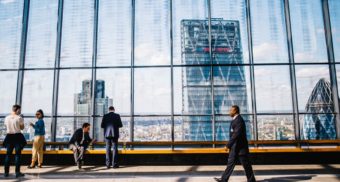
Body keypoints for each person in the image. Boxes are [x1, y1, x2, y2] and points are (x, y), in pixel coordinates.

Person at [214, 105, 256, 182]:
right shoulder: (235, 120)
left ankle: (251, 180)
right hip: (235, 148)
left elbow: (236, 134)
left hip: (240, 148)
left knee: (246, 165)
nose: (229, 112)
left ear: (235, 111)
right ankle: (224, 179)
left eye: (231, 110)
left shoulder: (239, 120)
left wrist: (228, 145)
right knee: (230, 164)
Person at [3, 105, 26, 178]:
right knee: (18, 155)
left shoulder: (6, 118)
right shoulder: (19, 118)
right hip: (17, 137)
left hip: (9, 137)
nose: (20, 111)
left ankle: (6, 172)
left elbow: (6, 126)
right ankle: (17, 172)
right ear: (17, 110)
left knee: (8, 155)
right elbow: (22, 128)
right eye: (20, 110)